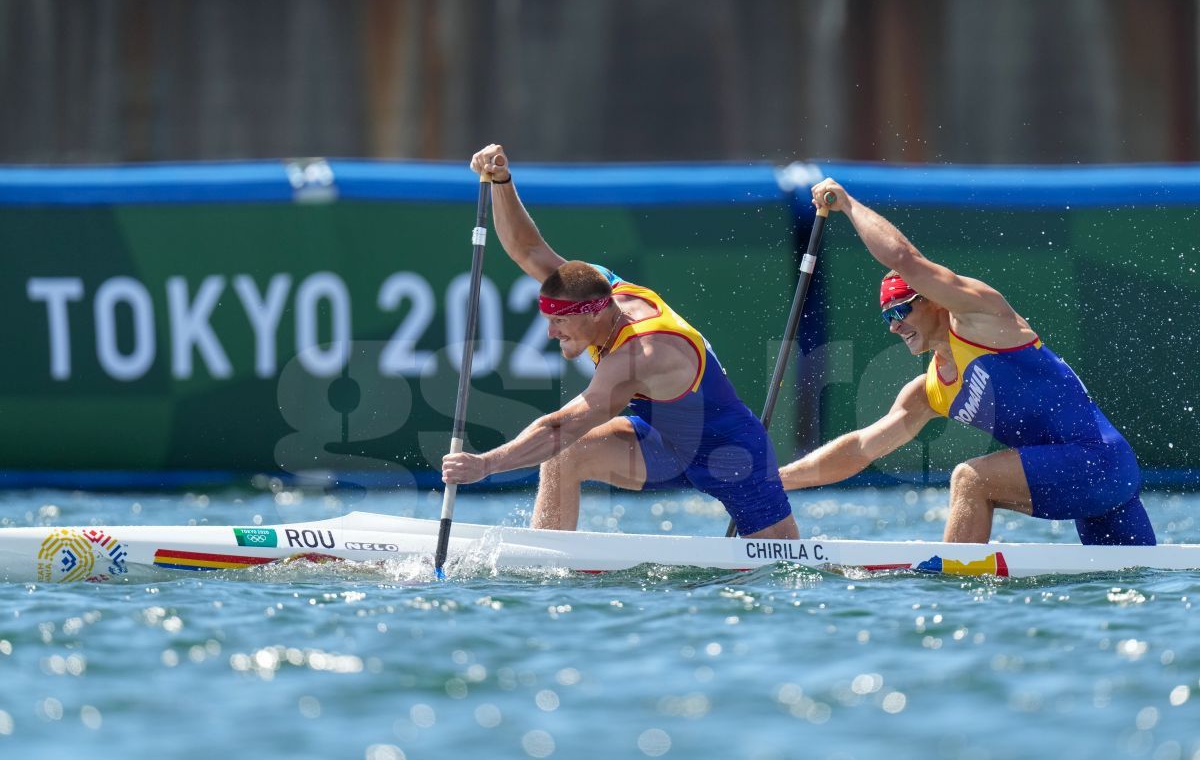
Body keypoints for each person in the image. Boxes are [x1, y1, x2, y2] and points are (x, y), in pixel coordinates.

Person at [441, 144, 799, 540]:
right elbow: (527, 250)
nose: (550, 333)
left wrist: (485, 465)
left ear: (594, 313)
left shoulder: (641, 353)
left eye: (560, 321)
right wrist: (502, 182)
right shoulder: (594, 285)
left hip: (730, 455)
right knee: (564, 457)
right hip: (660, 443)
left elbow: (561, 426)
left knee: (782, 568)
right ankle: (545, 564)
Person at [778, 179, 1156, 546]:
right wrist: (777, 479)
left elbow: (903, 259)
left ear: (933, 299)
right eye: (887, 318)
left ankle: (951, 595)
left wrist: (847, 204)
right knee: (1132, 590)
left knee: (971, 479)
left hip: (1100, 460)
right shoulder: (929, 392)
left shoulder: (982, 318)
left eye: (900, 311)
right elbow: (861, 448)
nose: (895, 327)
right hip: (1082, 482)